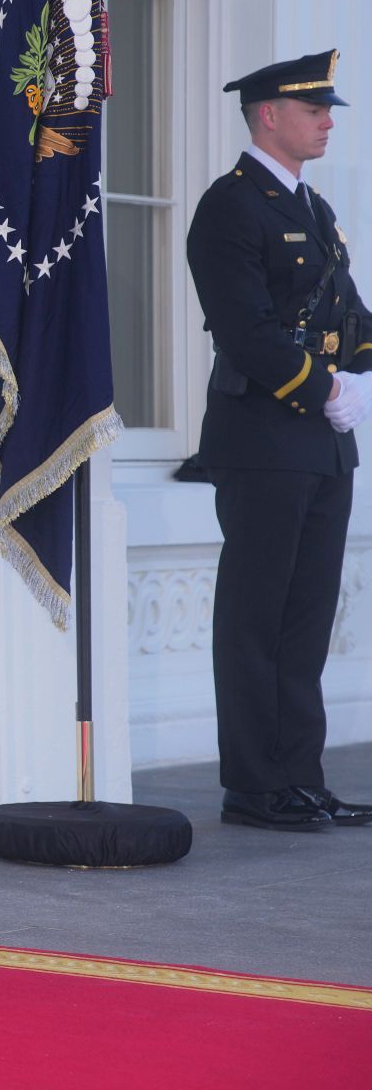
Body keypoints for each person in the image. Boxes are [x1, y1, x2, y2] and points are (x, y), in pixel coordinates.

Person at [185, 49, 372, 832]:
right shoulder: (231, 207)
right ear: (269, 115)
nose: (329, 120)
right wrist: (326, 388)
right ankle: (256, 786)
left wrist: (358, 371)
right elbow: (248, 331)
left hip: (323, 447)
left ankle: (300, 774)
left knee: (306, 619)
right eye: (314, 109)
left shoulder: (312, 210)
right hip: (264, 436)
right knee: (257, 618)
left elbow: (348, 317)